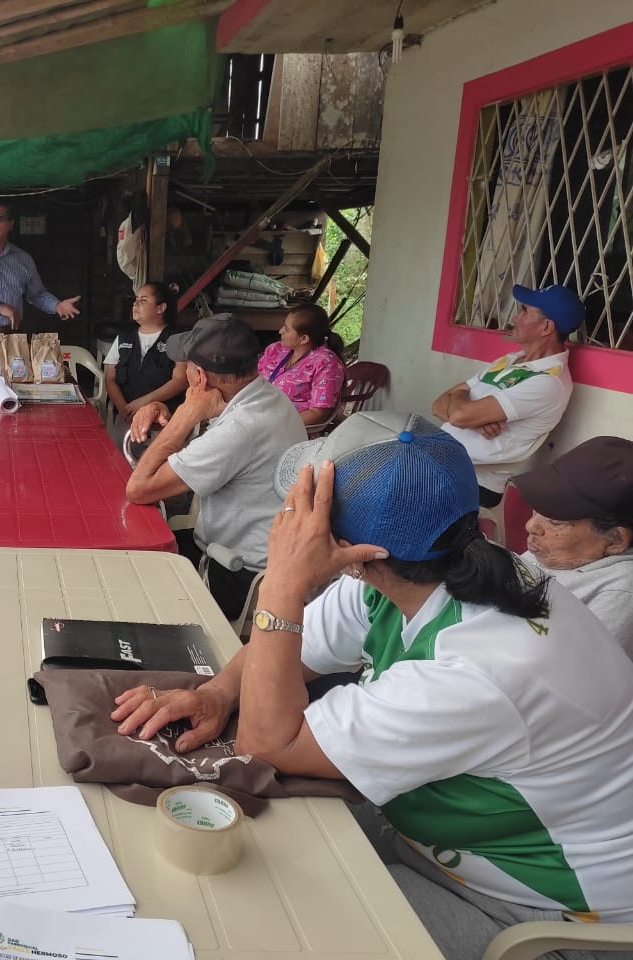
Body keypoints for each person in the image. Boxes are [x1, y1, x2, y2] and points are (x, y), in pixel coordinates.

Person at [115, 411, 633, 959]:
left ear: (347, 548)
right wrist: (218, 693)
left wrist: (283, 583)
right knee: (234, 846)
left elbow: (267, 743)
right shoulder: (435, 564)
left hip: (536, 909)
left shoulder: (480, 668)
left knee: (257, 917)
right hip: (434, 835)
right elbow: (295, 654)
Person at [124, 315, 305, 619]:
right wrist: (163, 410)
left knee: (129, 581)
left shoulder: (241, 428)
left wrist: (183, 417)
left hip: (239, 572)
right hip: (264, 556)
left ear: (200, 377)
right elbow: (204, 447)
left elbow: (139, 489)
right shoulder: (268, 397)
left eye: (186, 365)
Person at [431, 283, 584, 505]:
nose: (515, 318)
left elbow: (458, 414)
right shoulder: (510, 360)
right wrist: (473, 421)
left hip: (471, 481)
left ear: (546, 327)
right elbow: (437, 405)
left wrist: (464, 410)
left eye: (524, 311)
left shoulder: (548, 381)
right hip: (443, 465)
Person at [512, 435, 633, 656]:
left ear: (615, 540)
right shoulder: (555, 550)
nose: (531, 526)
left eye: (556, 522)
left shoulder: (622, 591)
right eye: (537, 509)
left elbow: (572, 668)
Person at [0, 200, 80, 336]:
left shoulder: (23, 259)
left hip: (11, 334)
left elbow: (37, 294)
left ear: (10, 224)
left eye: (0, 218)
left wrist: (57, 305)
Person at [102, 281, 188, 426]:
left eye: (143, 300)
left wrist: (143, 403)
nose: (135, 304)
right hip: (126, 416)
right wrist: (123, 408)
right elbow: (110, 378)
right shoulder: (124, 337)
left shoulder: (176, 339)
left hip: (163, 419)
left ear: (160, 308)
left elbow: (180, 380)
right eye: (136, 299)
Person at [256, 302, 346, 428]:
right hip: (257, 417)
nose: (280, 331)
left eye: (286, 329)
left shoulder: (326, 364)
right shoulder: (276, 350)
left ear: (304, 339)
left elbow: (317, 414)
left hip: (288, 430)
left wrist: (273, 426)